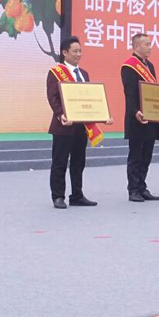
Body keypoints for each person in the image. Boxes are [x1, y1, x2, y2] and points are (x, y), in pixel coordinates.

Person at [47, 36, 112, 209]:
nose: (78, 54)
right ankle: (58, 196)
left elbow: (89, 99)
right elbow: (52, 97)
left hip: (81, 126)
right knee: (60, 162)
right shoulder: (55, 72)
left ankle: (77, 195)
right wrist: (61, 114)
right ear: (65, 52)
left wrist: (103, 115)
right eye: (75, 51)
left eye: (80, 51)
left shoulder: (84, 74)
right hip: (63, 126)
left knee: (78, 162)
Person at [121, 33, 159, 202]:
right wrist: (136, 111)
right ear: (136, 46)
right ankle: (133, 189)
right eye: (146, 44)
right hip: (137, 118)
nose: (150, 47)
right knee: (136, 156)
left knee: (146, 155)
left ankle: (142, 187)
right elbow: (129, 92)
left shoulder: (150, 66)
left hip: (151, 117)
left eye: (150, 44)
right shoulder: (129, 66)